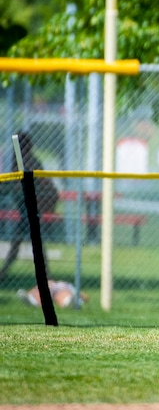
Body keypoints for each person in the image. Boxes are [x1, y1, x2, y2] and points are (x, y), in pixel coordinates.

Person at [0, 131, 59, 281]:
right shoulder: (16, 160)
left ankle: (47, 277)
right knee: (21, 242)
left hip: (30, 208)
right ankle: (5, 272)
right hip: (24, 208)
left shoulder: (29, 161)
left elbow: (23, 185)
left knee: (30, 242)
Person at [17, 280, 89, 308]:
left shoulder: (67, 286)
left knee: (62, 293)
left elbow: (85, 297)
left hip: (62, 289)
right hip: (52, 286)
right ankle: (31, 299)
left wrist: (80, 295)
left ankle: (69, 301)